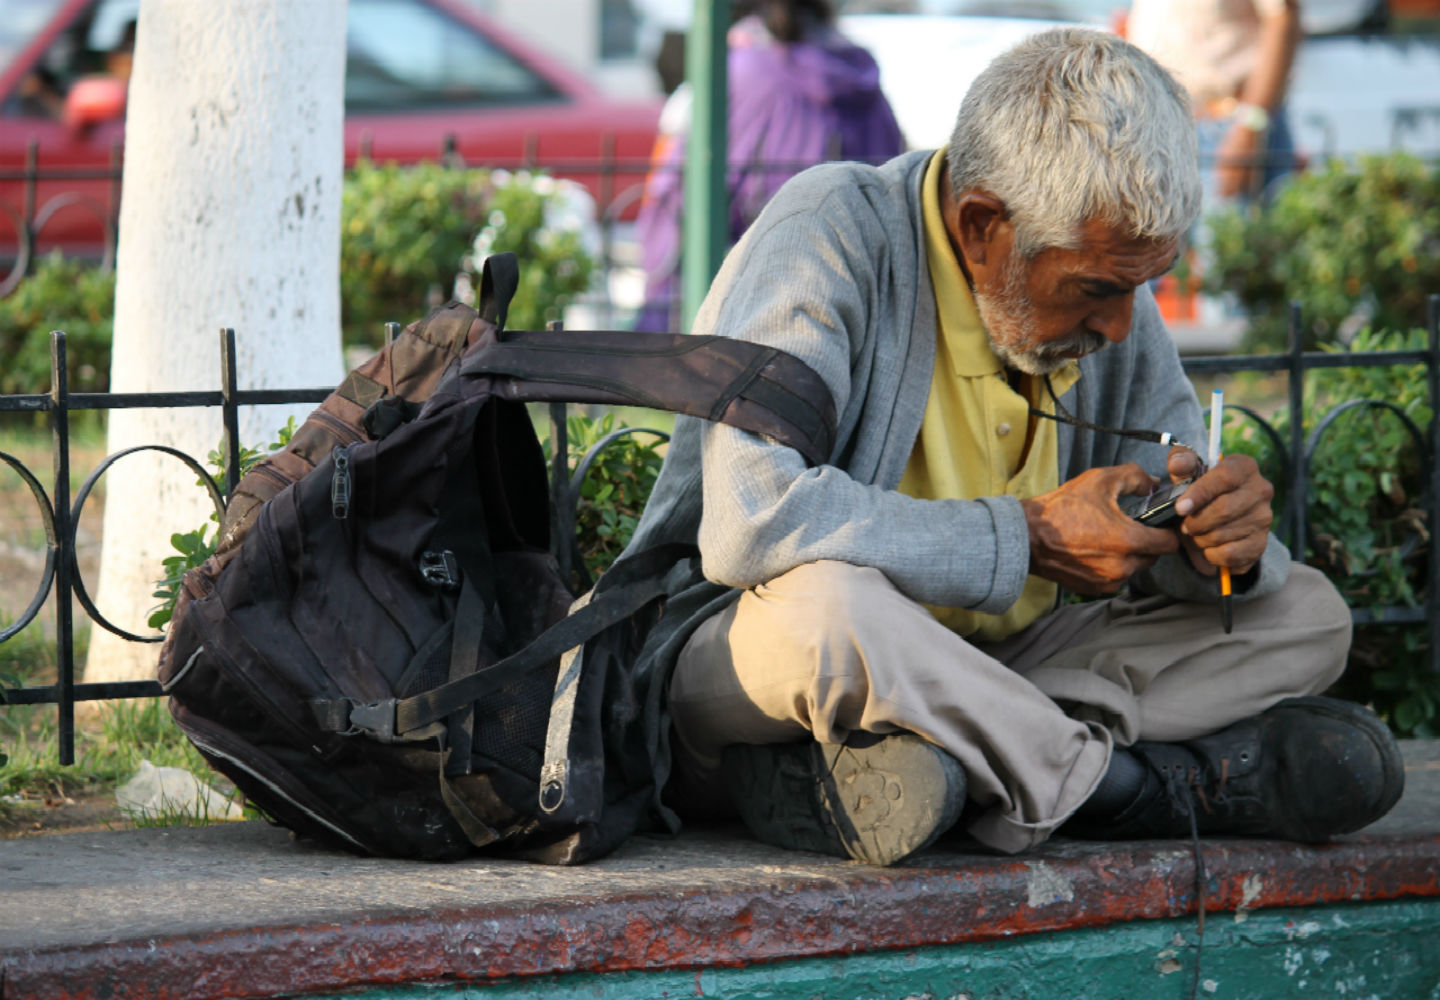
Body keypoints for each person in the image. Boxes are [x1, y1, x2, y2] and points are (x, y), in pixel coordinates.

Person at [608, 27, 1403, 866]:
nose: (1121, 325)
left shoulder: (1104, 282)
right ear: (982, 225)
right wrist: (1030, 536)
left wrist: (1214, 545)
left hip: (992, 664)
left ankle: (950, 758)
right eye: (1098, 289)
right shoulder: (829, 231)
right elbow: (752, 523)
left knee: (1304, 611)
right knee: (835, 611)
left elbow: (1172, 519)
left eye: (1140, 287)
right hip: (757, 662)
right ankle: (1127, 790)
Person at [632, 0, 904, 332]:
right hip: (851, 295)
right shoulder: (862, 76)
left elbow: (678, 201)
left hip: (742, 298)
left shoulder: (742, 73)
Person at [1126, 0, 1302, 202]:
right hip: (1165, 126)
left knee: (1236, 220)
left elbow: (1283, 19)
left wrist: (1251, 124)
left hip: (1229, 127)